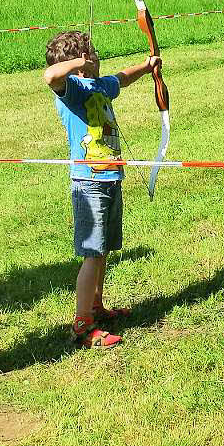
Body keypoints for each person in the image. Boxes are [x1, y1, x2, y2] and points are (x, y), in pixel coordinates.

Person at [43, 31, 160, 348]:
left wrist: (148, 66)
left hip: (110, 177)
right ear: (81, 63)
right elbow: (49, 75)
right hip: (88, 181)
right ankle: (82, 327)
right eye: (91, 53)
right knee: (92, 254)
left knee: (103, 248)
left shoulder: (98, 85)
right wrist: (79, 62)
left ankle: (96, 307)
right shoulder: (73, 89)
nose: (97, 56)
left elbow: (121, 79)